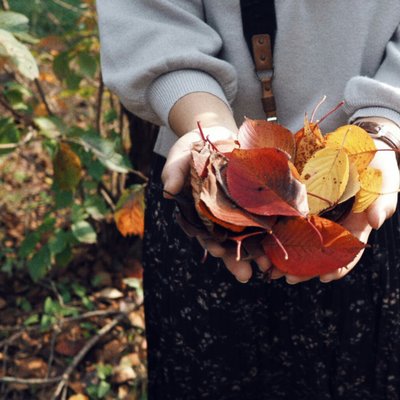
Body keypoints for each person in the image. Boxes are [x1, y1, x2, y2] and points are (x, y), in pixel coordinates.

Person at [96, 1, 400, 399]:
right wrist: (207, 132)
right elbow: (146, 15)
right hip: (199, 177)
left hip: (366, 191)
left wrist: (385, 119)